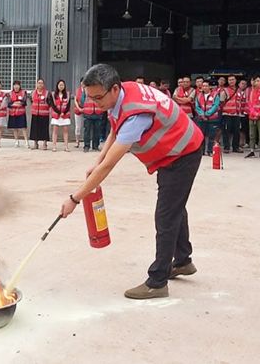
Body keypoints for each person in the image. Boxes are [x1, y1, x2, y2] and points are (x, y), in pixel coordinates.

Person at [60, 64, 203, 300]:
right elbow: (115, 129)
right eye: (91, 98)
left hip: (182, 152)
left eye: (98, 98)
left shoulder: (136, 114)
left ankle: (157, 282)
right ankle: (183, 260)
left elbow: (109, 166)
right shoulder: (123, 94)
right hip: (172, 152)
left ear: (114, 89)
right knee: (175, 207)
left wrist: (75, 198)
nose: (95, 103)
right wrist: (97, 159)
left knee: (166, 215)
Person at [195, 80, 222, 156]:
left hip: (212, 119)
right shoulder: (199, 95)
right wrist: (202, 114)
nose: (204, 87)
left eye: (206, 86)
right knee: (201, 136)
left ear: (210, 87)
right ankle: (202, 151)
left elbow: (215, 106)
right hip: (202, 119)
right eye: (203, 86)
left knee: (211, 136)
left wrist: (207, 114)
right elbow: (197, 107)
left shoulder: (215, 95)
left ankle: (210, 151)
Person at [244, 74, 260, 159]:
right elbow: (250, 104)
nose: (256, 83)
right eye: (255, 81)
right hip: (252, 116)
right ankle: (252, 151)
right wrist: (254, 113)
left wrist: (259, 114)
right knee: (251, 134)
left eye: (258, 81)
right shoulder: (251, 91)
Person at [82, 78, 106, 152]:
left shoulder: (101, 90)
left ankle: (95, 146)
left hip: (98, 112)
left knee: (97, 131)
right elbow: (82, 100)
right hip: (88, 112)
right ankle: (86, 146)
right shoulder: (86, 90)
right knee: (87, 131)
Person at [221, 76, 242, 153]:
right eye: (229, 80)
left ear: (236, 80)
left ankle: (235, 147)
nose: (231, 81)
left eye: (233, 79)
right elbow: (221, 102)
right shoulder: (225, 90)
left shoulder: (239, 90)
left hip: (237, 114)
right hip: (227, 114)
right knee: (226, 131)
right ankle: (226, 147)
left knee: (237, 131)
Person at [29, 78, 51, 150]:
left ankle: (45, 144)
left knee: (44, 129)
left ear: (43, 85)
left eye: (41, 83)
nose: (40, 84)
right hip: (35, 114)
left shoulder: (47, 93)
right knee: (35, 129)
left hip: (44, 114)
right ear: (36, 84)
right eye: (39, 83)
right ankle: (35, 143)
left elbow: (50, 103)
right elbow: (31, 101)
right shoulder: (33, 93)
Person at [50, 80, 71, 152]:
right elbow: (52, 105)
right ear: (57, 86)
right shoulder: (53, 94)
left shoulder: (67, 94)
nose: (61, 86)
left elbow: (68, 105)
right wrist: (59, 112)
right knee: (55, 130)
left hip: (65, 115)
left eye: (62, 85)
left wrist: (63, 112)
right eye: (60, 85)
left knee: (65, 131)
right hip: (56, 115)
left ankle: (66, 146)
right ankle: (54, 146)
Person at [8, 80, 29, 148]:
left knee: (23, 127)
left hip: (21, 113)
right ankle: (16, 141)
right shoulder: (10, 94)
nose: (16, 86)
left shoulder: (23, 93)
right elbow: (9, 104)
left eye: (17, 85)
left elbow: (23, 102)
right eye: (15, 85)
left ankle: (26, 141)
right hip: (13, 113)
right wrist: (16, 103)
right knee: (15, 128)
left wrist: (15, 103)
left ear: (20, 86)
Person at [237, 78, 250, 148]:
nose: (243, 85)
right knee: (239, 129)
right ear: (239, 84)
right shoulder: (235, 91)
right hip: (237, 113)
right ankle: (240, 142)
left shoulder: (248, 92)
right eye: (242, 83)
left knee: (246, 128)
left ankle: (247, 142)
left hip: (245, 113)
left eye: (245, 84)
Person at [73, 79, 86, 148]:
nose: (83, 83)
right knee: (78, 127)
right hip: (78, 110)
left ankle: (85, 141)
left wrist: (85, 109)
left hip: (86, 111)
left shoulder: (88, 90)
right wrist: (79, 108)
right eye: (82, 82)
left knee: (85, 127)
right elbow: (75, 100)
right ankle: (77, 141)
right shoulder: (77, 90)